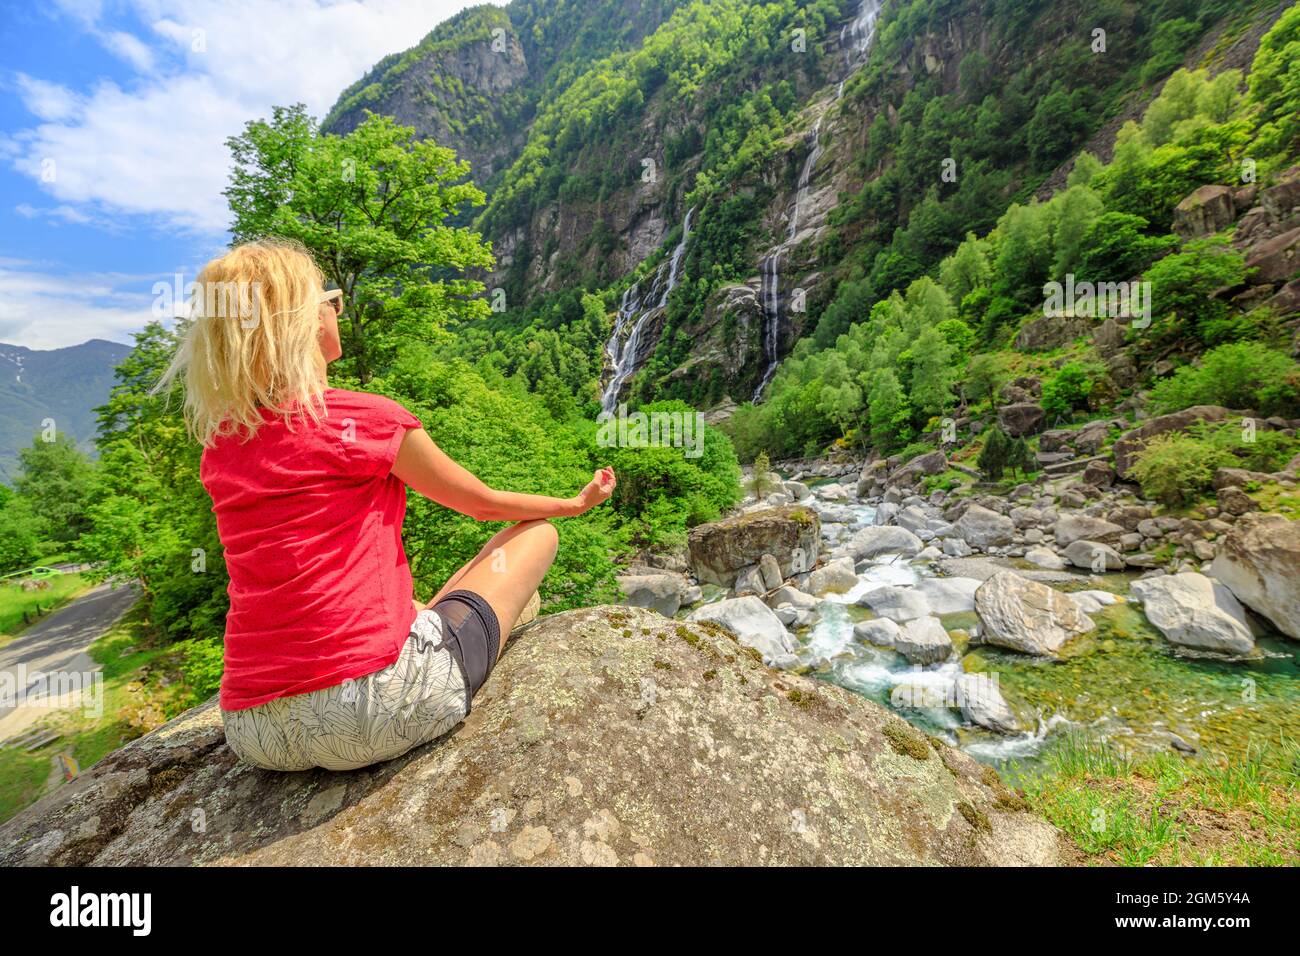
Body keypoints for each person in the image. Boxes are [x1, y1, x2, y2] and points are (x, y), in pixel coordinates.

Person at [155, 239, 616, 771]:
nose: (336, 309)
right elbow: (484, 505)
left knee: (422, 608)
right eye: (330, 299)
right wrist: (574, 504)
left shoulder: (221, 446)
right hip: (370, 709)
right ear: (303, 322)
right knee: (536, 536)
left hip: (254, 731)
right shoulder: (367, 420)